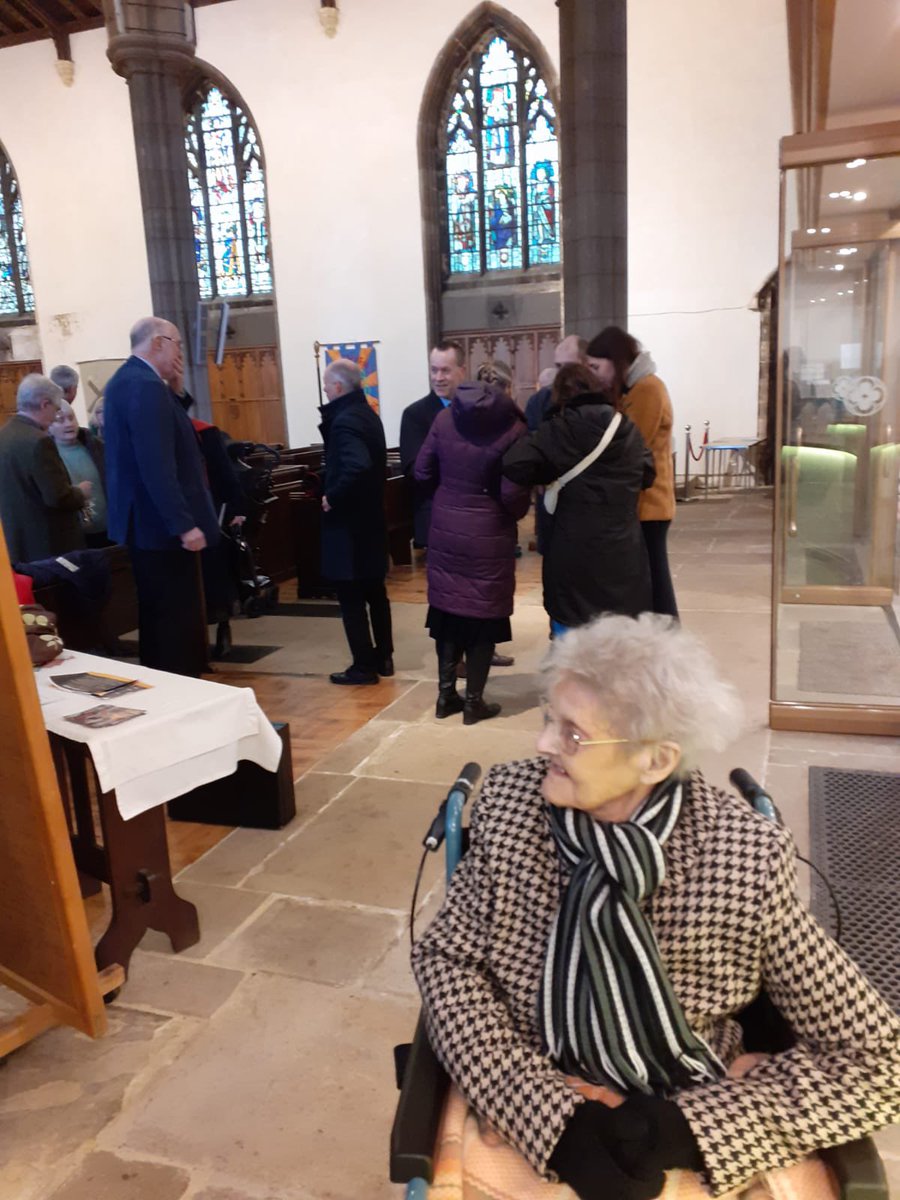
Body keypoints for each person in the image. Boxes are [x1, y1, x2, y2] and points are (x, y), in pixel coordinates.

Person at [412, 613, 900, 1200]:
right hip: (534, 1081)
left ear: (655, 760)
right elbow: (446, 960)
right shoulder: (512, 806)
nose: (543, 745)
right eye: (550, 719)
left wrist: (687, 1131)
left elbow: (875, 1058)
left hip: (689, 1094)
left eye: (572, 734)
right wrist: (553, 1120)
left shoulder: (741, 856)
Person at [104, 317, 219, 677]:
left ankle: (170, 680)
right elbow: (156, 464)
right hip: (161, 527)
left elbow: (164, 433)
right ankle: (181, 686)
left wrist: (177, 391)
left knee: (159, 612)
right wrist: (184, 525)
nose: (180, 352)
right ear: (157, 342)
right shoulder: (145, 386)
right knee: (174, 617)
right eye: (178, 343)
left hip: (147, 524)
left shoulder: (128, 381)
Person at [502, 363, 653, 635]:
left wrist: (548, 472)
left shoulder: (559, 430)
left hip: (573, 557)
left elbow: (515, 463)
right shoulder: (625, 427)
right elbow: (649, 473)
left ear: (558, 396)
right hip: (623, 554)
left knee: (572, 652)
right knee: (619, 652)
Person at [414, 379, 530, 723]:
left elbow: (421, 471)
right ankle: (473, 703)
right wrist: (511, 513)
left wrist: (449, 495)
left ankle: (445, 696)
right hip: (489, 531)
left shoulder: (445, 418)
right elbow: (513, 494)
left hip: (447, 526)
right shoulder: (514, 428)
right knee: (483, 615)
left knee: (448, 611)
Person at [586, 327, 678, 618]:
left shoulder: (647, 388)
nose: (593, 374)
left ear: (616, 361)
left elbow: (631, 445)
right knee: (645, 584)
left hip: (649, 505)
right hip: (641, 505)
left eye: (596, 367)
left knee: (655, 585)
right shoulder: (635, 389)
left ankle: (667, 646)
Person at [320, 357, 394, 685]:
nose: (325, 392)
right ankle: (384, 658)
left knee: (351, 597)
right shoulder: (367, 415)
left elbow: (357, 465)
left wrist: (331, 495)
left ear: (337, 387)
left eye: (326, 387)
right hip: (371, 521)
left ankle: (363, 666)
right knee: (375, 592)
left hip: (349, 527)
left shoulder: (345, 420)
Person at [0, 374, 90, 564]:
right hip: (50, 546)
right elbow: (57, 497)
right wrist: (81, 493)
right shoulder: (39, 441)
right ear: (44, 404)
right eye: (56, 410)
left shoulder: (4, 435)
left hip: (17, 544)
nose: (55, 417)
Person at [400, 340, 466, 550]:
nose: (438, 378)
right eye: (434, 370)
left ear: (462, 371)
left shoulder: (475, 409)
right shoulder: (415, 415)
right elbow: (413, 470)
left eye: (445, 371)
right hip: (436, 515)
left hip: (473, 516)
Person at [48, 399, 110, 548]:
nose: (68, 424)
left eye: (71, 418)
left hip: (109, 529)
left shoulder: (97, 447)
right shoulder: (47, 455)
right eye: (60, 420)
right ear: (49, 425)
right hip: (76, 537)